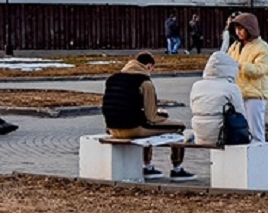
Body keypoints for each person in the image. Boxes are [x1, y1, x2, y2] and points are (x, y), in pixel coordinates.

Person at [102, 51, 194, 180]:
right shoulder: (145, 82)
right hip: (133, 128)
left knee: (148, 126)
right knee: (178, 128)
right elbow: (151, 117)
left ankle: (148, 166)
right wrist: (164, 117)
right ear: (149, 66)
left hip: (112, 128)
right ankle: (175, 169)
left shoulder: (113, 78)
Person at [226, 12, 268, 143]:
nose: (238, 32)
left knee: (255, 131)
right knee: (239, 129)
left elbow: (260, 70)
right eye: (236, 29)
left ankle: (259, 157)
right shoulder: (235, 46)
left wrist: (241, 66)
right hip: (238, 94)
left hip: (255, 95)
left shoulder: (262, 47)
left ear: (250, 28)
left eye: (241, 28)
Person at [187, 51, 247, 145]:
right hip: (222, 135)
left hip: (200, 134)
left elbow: (193, 107)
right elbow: (240, 114)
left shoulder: (196, 86)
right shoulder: (231, 88)